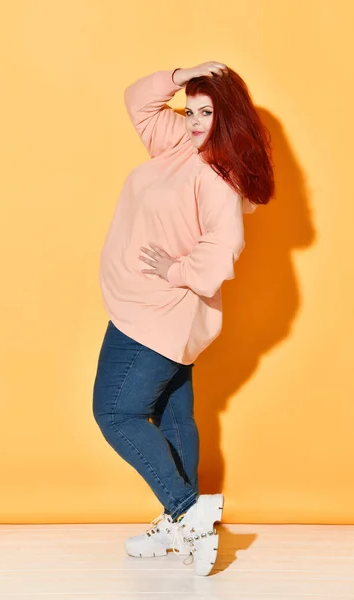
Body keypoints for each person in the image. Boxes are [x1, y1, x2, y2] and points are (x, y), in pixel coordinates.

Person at [92, 61, 274, 576]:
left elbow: (223, 248)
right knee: (172, 416)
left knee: (116, 414)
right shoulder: (179, 145)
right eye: (190, 111)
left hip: (156, 313)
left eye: (206, 112)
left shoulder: (216, 173)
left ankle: (186, 508)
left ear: (227, 115)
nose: (194, 121)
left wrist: (175, 270)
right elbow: (137, 100)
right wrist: (183, 74)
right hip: (148, 310)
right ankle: (184, 530)